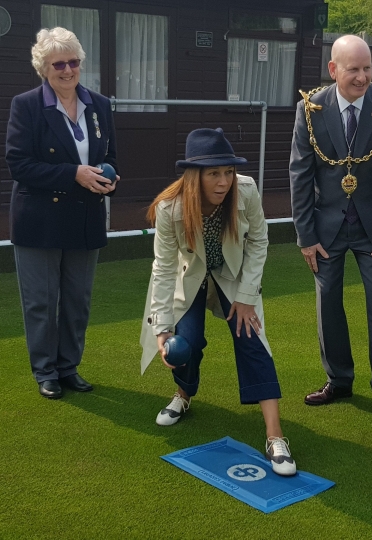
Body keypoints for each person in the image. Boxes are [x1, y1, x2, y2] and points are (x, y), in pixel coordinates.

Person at [139, 128, 296, 476]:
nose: (224, 181)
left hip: (234, 277)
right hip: (190, 277)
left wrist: (245, 298)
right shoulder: (170, 208)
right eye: (214, 173)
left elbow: (259, 241)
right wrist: (163, 329)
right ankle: (184, 395)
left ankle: (275, 436)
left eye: (228, 171)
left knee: (252, 340)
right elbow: (163, 269)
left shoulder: (246, 190)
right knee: (187, 343)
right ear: (195, 176)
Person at [289, 35, 372, 426]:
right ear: (333, 69)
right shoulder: (309, 108)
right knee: (329, 307)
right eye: (353, 70)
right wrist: (306, 237)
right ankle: (339, 381)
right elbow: (299, 175)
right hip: (326, 232)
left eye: (368, 69)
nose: (362, 78)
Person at [5, 27, 118, 399]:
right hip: (40, 219)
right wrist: (74, 174)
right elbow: (19, 165)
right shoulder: (26, 105)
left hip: (85, 217)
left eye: (73, 62)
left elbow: (110, 156)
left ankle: (68, 367)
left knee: (76, 301)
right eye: (59, 64)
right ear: (43, 68)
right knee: (41, 301)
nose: (67, 70)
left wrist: (107, 178)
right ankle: (45, 371)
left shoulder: (99, 104)